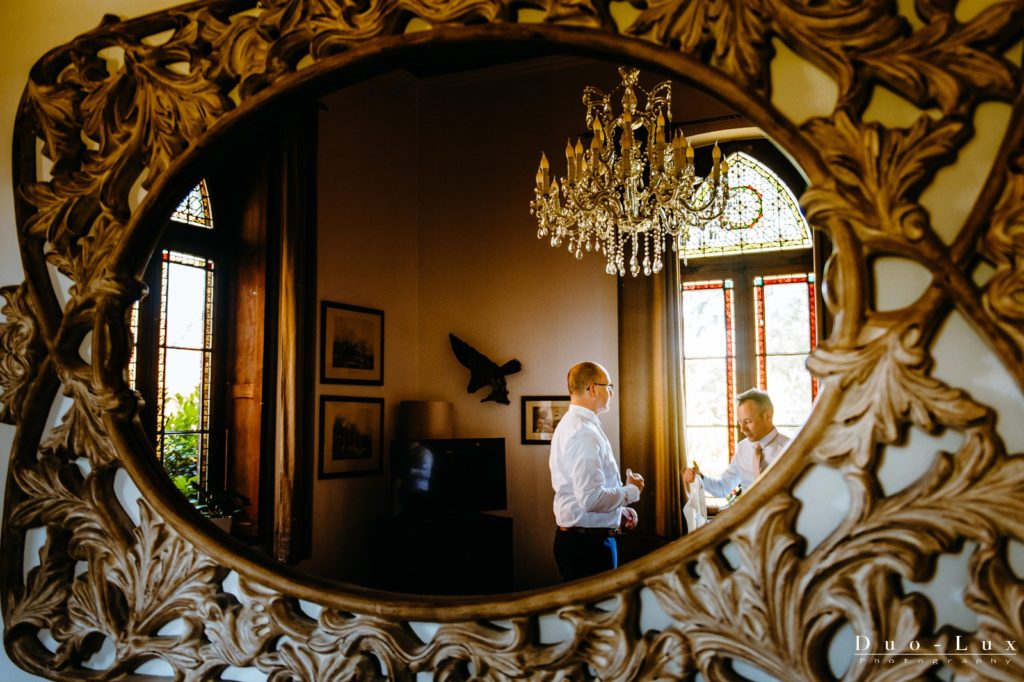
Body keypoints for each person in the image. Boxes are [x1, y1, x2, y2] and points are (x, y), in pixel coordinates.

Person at [549, 361, 645, 582]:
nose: (611, 393)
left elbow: (583, 491)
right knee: (598, 615)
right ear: (593, 389)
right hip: (587, 548)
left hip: (586, 541)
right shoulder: (583, 433)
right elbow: (591, 499)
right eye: (609, 387)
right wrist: (631, 490)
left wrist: (618, 512)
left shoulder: (579, 425)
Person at [683, 388, 790, 498]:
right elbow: (724, 488)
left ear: (767, 416)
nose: (742, 429)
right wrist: (700, 477)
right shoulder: (743, 448)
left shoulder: (790, 449)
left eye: (748, 421)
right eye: (740, 422)